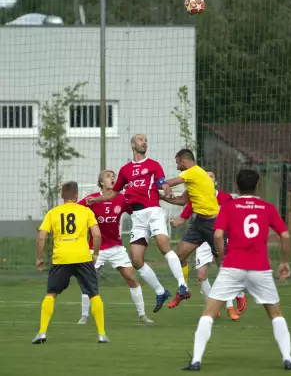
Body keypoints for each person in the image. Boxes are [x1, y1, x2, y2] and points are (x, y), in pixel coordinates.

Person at [182, 169, 291, 371]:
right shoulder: (267, 207)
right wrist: (284, 262)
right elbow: (286, 235)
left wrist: (223, 256)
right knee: (276, 314)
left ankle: (196, 361)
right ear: (258, 185)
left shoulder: (230, 206)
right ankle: (287, 359)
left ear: (236, 186)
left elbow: (218, 235)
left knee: (209, 313)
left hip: (233, 266)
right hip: (259, 268)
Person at [86, 134, 184, 312]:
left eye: (146, 140)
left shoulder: (153, 165)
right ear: (132, 145)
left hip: (153, 211)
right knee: (137, 260)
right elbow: (112, 193)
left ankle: (182, 285)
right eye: (140, 140)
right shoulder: (125, 170)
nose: (144, 142)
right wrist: (96, 199)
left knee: (163, 245)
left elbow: (163, 183)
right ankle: (161, 291)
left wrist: (168, 191)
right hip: (138, 217)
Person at [78, 170, 167, 324]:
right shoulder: (92, 200)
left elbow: (139, 212)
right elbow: (76, 211)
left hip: (116, 247)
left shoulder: (121, 199)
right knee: (89, 280)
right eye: (108, 176)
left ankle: (142, 315)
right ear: (101, 183)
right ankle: (84, 316)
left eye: (114, 176)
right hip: (96, 248)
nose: (112, 178)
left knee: (131, 278)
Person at [33, 181, 109, 344]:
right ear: (76, 196)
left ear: (62, 196)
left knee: (51, 293)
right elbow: (96, 235)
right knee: (93, 294)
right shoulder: (85, 211)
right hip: (82, 257)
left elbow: (41, 236)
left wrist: (39, 258)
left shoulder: (53, 213)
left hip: (61, 258)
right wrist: (95, 254)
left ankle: (42, 333)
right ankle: (102, 334)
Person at [169, 168, 247, 320]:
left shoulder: (226, 198)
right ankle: (213, 307)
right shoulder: (197, 197)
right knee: (201, 275)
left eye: (211, 177)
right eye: (206, 177)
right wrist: (176, 222)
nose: (208, 179)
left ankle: (237, 297)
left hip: (220, 236)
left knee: (224, 269)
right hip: (203, 238)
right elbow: (185, 214)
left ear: (215, 182)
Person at [162, 149, 220, 307]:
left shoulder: (192, 172)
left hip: (213, 224)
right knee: (179, 256)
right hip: (199, 223)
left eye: (177, 163)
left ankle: (239, 294)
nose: (176, 166)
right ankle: (184, 290)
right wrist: (161, 196)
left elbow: (170, 182)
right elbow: (182, 201)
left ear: (182, 161)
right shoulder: (194, 178)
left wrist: (157, 185)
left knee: (224, 264)